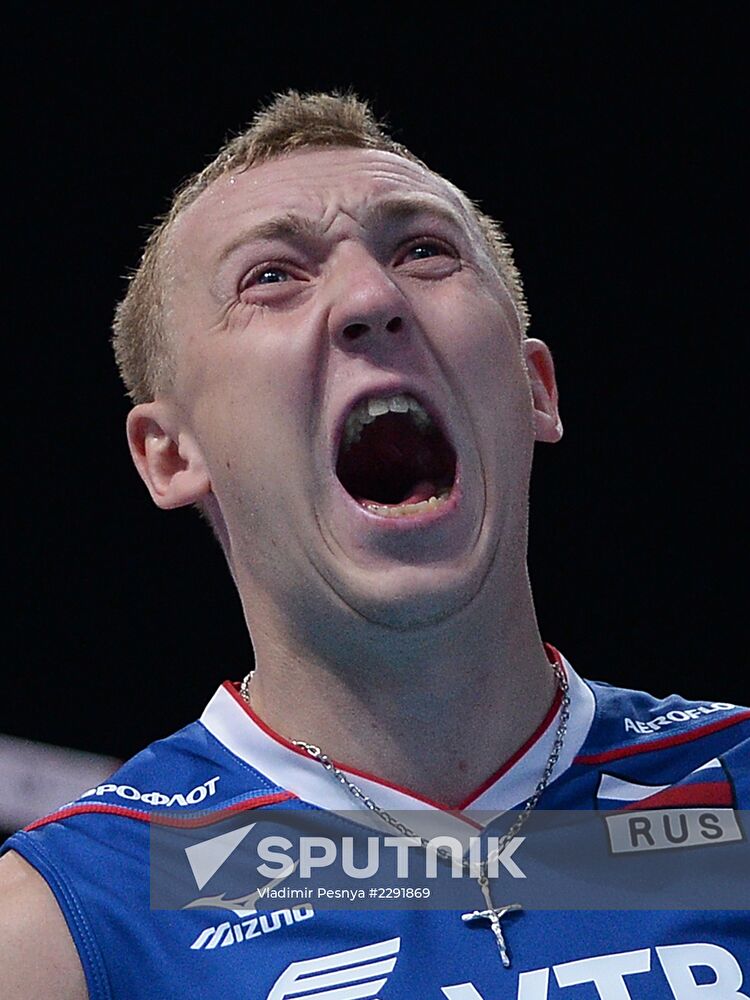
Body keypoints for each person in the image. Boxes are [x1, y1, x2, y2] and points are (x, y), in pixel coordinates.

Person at [0, 91, 747, 999]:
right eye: (272, 275)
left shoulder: (732, 802)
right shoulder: (72, 921)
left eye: (423, 251)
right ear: (169, 453)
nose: (371, 297)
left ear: (535, 389)